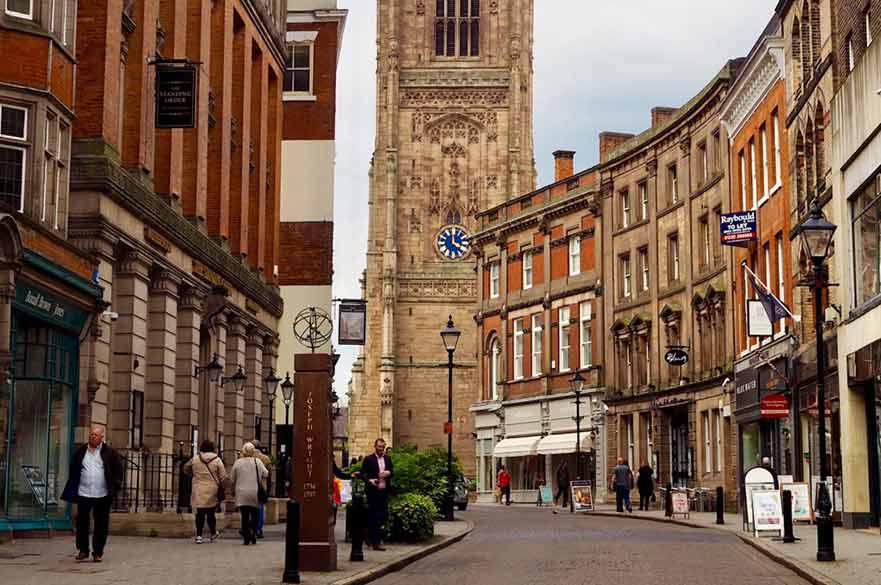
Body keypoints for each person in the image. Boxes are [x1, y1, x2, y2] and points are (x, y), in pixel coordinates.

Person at [61, 426, 124, 562]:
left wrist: (116, 485)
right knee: (82, 523)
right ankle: (83, 550)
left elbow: (118, 469)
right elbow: (73, 469)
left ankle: (98, 552)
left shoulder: (110, 452)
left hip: (103, 494)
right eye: (91, 434)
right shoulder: (81, 452)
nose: (92, 437)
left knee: (101, 524)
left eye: (96, 435)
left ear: (102, 437)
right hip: (84, 493)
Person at [183, 439, 227, 543]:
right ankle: (212, 533)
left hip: (198, 488)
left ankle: (199, 535)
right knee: (211, 512)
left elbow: (185, 468)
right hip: (212, 489)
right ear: (212, 448)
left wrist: (193, 474)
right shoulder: (217, 460)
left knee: (200, 513)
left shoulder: (196, 459)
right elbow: (223, 476)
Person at [229, 442, 268, 545]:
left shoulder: (238, 462)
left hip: (241, 493)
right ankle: (254, 533)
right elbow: (266, 473)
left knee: (245, 516)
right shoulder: (257, 461)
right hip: (254, 492)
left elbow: (232, 478)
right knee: (255, 514)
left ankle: (246, 537)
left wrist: (232, 489)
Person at [361, 438, 393, 550]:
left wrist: (388, 473)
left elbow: (391, 472)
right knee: (374, 516)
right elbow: (363, 474)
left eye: (383, 447)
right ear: (375, 446)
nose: (381, 449)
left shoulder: (388, 459)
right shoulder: (369, 459)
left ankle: (368, 533)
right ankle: (376, 542)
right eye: (379, 447)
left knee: (383, 516)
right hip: (373, 491)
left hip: (384, 491)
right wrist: (371, 480)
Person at [252, 440, 272, 539]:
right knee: (260, 508)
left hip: (247, 487)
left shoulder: (243, 457)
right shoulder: (265, 458)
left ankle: (249, 527)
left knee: (248, 508)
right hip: (261, 487)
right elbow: (269, 474)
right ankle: (258, 529)